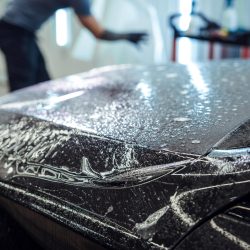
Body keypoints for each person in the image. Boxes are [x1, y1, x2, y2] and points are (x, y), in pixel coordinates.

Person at [0, 0, 147, 91]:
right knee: (24, 84)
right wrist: (127, 37)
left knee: (42, 83)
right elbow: (98, 32)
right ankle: (16, 132)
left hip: (21, 29)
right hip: (14, 30)